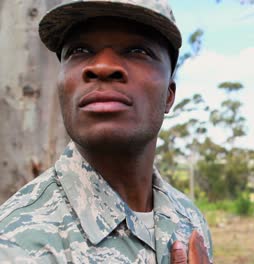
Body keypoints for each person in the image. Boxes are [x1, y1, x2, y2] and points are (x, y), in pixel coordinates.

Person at [0, 1, 212, 263]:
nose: (102, 66)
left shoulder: (190, 222)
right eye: (79, 50)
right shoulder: (16, 245)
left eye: (138, 50)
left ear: (169, 96)